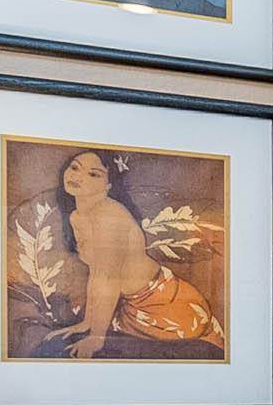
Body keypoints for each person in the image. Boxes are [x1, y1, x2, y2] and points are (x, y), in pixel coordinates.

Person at [42, 149, 223, 359]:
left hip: (169, 307)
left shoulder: (110, 215)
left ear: (108, 186)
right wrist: (88, 323)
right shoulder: (77, 217)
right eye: (74, 167)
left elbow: (109, 278)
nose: (77, 176)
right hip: (133, 307)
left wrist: (97, 337)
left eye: (94, 174)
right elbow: (97, 274)